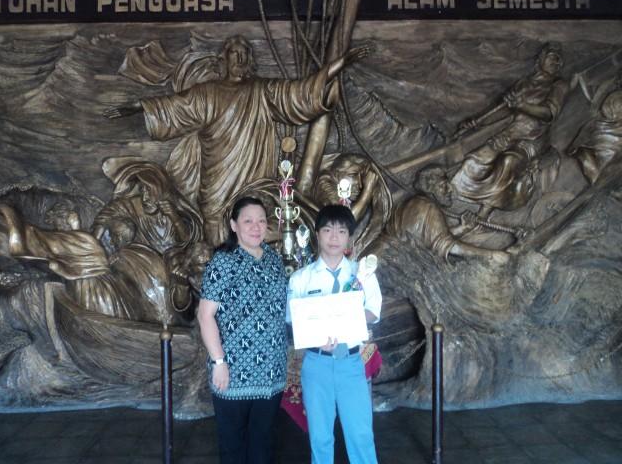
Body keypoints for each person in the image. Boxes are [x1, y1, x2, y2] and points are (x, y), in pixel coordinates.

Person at [105, 35, 369, 246]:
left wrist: (338, 65)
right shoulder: (207, 93)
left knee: (259, 237)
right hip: (216, 186)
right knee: (217, 246)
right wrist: (138, 107)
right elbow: (174, 107)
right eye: (234, 53)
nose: (240, 58)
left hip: (254, 183)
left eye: (245, 53)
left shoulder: (262, 91)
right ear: (225, 58)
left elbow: (302, 93)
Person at [287, 205, 382, 464]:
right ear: (317, 234)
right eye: (327, 230)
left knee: (361, 434)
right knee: (320, 437)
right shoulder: (301, 279)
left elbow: (373, 311)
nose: (334, 237)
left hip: (350, 363)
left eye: (341, 231)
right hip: (316, 364)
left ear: (349, 237)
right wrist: (316, 333)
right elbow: (293, 319)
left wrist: (346, 320)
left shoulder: (362, 274)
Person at [196, 197, 288, 464]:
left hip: (271, 372)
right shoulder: (224, 262)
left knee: (263, 442)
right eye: (248, 221)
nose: (256, 227)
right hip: (233, 371)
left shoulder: (273, 259)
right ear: (234, 225)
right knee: (233, 445)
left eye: (261, 221)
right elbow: (205, 315)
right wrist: (219, 362)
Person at [451, 43, 569, 218]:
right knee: (475, 159)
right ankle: (452, 196)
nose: (556, 62)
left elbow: (548, 113)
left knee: (508, 162)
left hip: (533, 140)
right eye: (552, 57)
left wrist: (522, 105)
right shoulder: (524, 84)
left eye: (559, 60)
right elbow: (502, 111)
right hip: (510, 134)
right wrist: (475, 122)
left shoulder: (558, 85)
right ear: (541, 59)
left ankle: (484, 213)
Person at [387, 165, 511, 263]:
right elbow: (450, 246)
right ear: (430, 189)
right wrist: (491, 254)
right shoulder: (427, 207)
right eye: (443, 186)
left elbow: (431, 237)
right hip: (395, 262)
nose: (450, 189)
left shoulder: (417, 203)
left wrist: (462, 228)